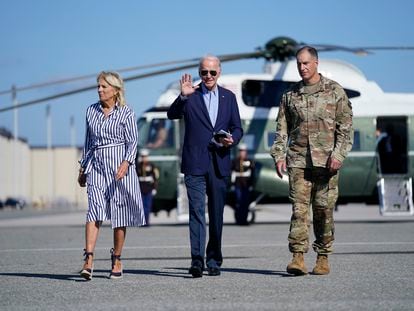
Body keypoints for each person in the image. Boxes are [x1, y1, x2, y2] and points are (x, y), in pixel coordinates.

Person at [270, 46, 353, 276]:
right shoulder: (290, 95)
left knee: (323, 211)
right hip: (298, 162)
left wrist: (338, 155)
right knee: (299, 211)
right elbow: (281, 131)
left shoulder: (335, 92)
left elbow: (345, 129)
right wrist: (278, 156)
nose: (302, 67)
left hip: (326, 163)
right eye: (298, 63)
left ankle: (323, 257)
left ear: (316, 63)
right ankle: (297, 257)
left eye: (306, 63)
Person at [167, 55, 243, 277]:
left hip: (219, 162)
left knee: (217, 214)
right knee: (197, 212)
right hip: (194, 162)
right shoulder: (190, 95)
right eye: (204, 72)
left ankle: (214, 259)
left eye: (212, 72)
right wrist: (182, 96)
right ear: (199, 73)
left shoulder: (229, 97)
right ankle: (197, 260)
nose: (208, 76)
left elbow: (238, 127)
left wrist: (232, 139)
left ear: (219, 72)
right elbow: (171, 114)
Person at [77, 71, 146, 280]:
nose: (99, 90)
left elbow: (133, 142)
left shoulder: (126, 112)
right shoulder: (91, 111)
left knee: (119, 214)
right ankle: (88, 258)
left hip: (119, 170)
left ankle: (116, 257)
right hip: (97, 166)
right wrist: (82, 168)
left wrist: (126, 163)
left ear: (115, 90)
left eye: (104, 87)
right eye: (98, 86)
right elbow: (88, 142)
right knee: (94, 211)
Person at [231, 143, 255, 225]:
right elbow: (231, 173)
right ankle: (239, 219)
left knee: (245, 203)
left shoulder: (250, 162)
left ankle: (244, 220)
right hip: (237, 185)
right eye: (241, 151)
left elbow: (252, 174)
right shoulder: (235, 162)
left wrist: (252, 184)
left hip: (246, 186)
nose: (242, 153)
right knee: (238, 202)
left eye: (244, 151)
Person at [135, 148, 159, 225]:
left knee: (148, 206)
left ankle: (147, 222)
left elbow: (155, 177)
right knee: (141, 206)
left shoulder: (151, 166)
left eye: (145, 156)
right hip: (141, 188)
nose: (144, 158)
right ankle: (142, 221)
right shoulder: (138, 166)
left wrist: (154, 188)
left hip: (148, 188)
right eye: (142, 156)